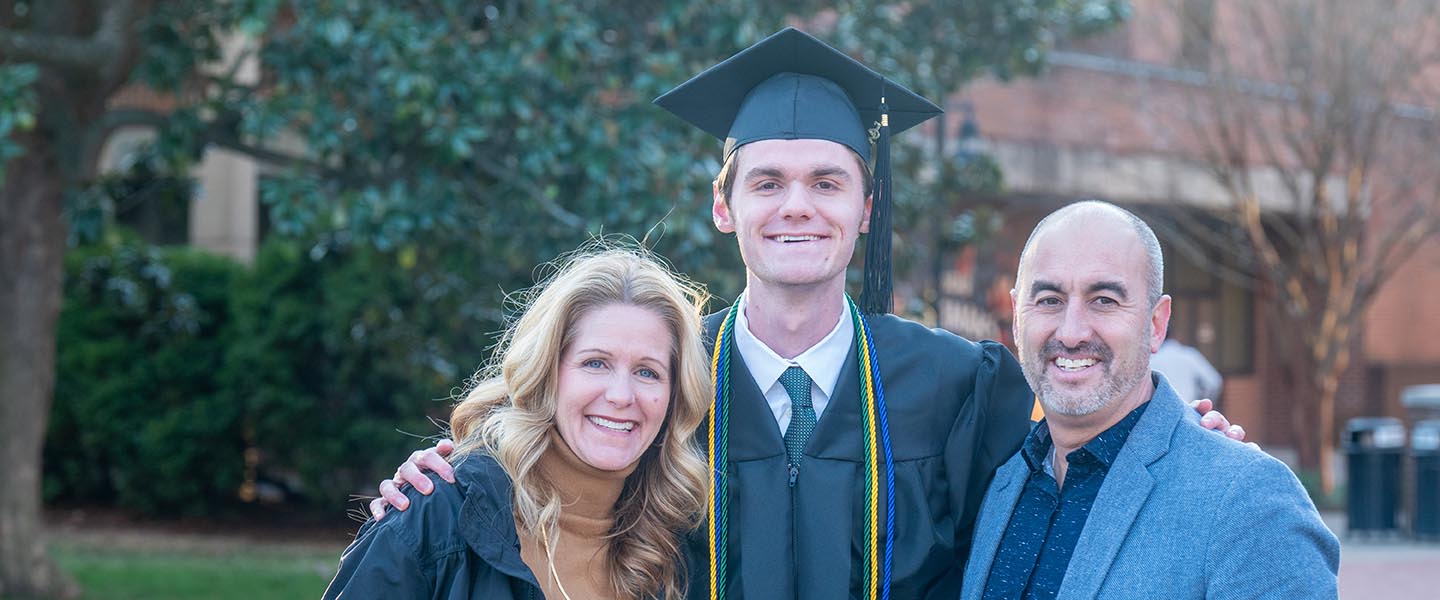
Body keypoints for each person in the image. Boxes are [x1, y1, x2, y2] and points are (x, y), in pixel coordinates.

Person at [368, 28, 1245, 599]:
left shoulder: (957, 384)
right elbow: (544, 474)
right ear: (725, 206)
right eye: (768, 182)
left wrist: (1185, 445)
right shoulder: (666, 377)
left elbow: (1077, 462)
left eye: (827, 182)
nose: (798, 206)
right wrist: (439, 486)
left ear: (867, 208)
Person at [960, 201, 1338, 600]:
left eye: (1104, 299)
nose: (1071, 333)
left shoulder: (1246, 500)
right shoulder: (997, 480)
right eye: (1050, 299)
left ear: (1156, 324)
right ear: (1018, 317)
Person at [322, 247, 712, 599]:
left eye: (648, 372)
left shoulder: (680, 541)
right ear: (548, 372)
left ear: (675, 393)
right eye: (595, 363)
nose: (621, 396)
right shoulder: (439, 514)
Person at [1150, 337, 1223, 404]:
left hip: (1161, 408)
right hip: (1189, 407)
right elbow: (1214, 381)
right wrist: (1202, 399)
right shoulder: (1189, 355)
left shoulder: (1153, 358)